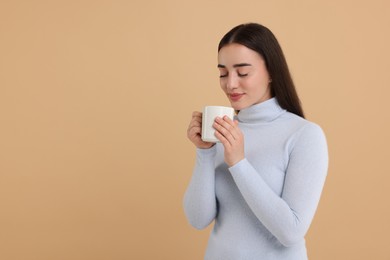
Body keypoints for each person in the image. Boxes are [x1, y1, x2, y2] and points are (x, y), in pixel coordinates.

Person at [183, 23, 328, 260]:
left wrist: (239, 163)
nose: (230, 84)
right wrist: (205, 152)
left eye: (243, 73)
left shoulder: (304, 135)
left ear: (271, 72)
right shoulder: (224, 129)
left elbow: (291, 231)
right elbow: (197, 219)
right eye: (223, 73)